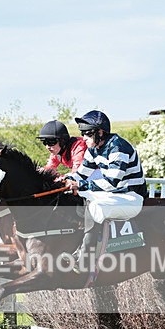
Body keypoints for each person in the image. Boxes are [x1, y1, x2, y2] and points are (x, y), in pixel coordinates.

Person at [65, 110, 147, 268]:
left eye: (87, 134)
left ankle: (85, 255)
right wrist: (66, 180)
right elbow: (81, 175)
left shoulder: (118, 147)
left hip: (131, 196)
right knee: (74, 197)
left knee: (93, 206)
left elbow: (112, 182)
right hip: (115, 194)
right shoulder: (94, 148)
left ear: (100, 132)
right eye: (83, 133)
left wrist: (80, 185)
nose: (84, 138)